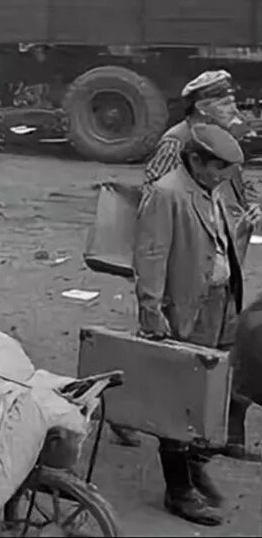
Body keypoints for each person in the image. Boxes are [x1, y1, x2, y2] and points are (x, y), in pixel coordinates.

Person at [136, 124, 255, 526]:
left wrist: (243, 228)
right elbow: (151, 255)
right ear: (196, 161)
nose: (224, 178)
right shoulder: (167, 193)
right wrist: (152, 312)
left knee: (218, 389)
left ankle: (195, 462)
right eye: (218, 169)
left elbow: (215, 250)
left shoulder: (212, 192)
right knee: (180, 399)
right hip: (186, 310)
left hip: (221, 304)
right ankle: (179, 490)